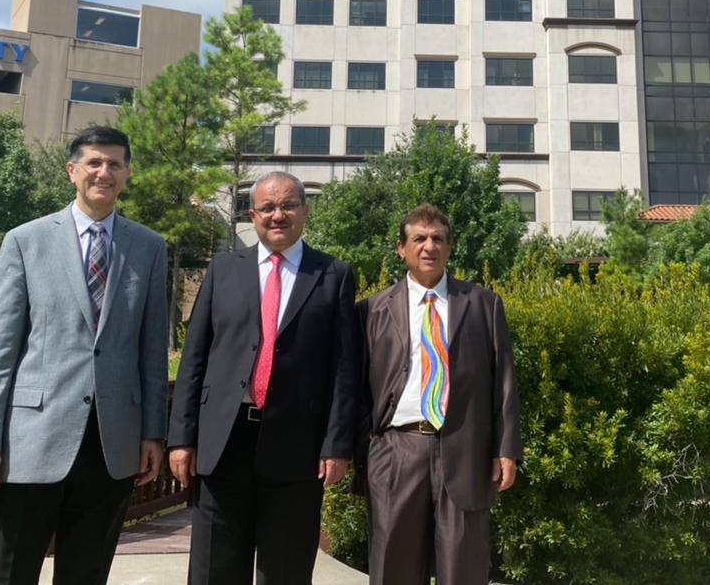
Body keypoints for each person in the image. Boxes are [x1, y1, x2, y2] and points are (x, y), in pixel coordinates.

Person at [0, 125, 169, 585]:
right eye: (94, 162)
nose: (104, 172)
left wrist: (153, 433)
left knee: (86, 575)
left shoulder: (149, 248)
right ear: (72, 170)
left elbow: (152, 352)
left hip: (111, 446)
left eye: (114, 164)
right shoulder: (25, 241)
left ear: (127, 174)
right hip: (29, 444)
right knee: (8, 574)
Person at [168, 171, 358, 585]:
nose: (278, 215)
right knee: (214, 568)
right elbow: (195, 357)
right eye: (267, 207)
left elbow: (344, 369)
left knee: (286, 569)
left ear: (305, 211)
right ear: (252, 215)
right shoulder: (223, 270)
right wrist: (181, 438)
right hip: (224, 440)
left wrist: (336, 443)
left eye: (288, 205)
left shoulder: (333, 274)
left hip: (297, 445)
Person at [357, 203, 521, 585]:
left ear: (449, 247)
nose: (429, 246)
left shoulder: (483, 304)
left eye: (438, 239)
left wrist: (506, 448)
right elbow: (356, 388)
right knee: (393, 570)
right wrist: (368, 451)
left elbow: (504, 381)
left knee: (463, 571)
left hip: (465, 453)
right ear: (401, 248)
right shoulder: (371, 311)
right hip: (396, 453)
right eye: (419, 238)